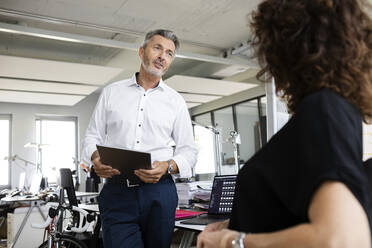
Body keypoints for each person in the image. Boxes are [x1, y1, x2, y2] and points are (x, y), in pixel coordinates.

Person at [197, 0, 372, 247]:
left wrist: (232, 241)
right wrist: (234, 224)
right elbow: (294, 217)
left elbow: (344, 239)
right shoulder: (331, 111)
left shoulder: (324, 109)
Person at [82, 29, 197, 248]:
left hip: (159, 192)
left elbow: (188, 151)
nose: (163, 56)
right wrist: (96, 157)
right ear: (141, 51)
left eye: (169, 53)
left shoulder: (175, 101)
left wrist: (168, 166)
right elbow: (92, 136)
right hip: (117, 191)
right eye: (157, 48)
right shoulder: (111, 93)